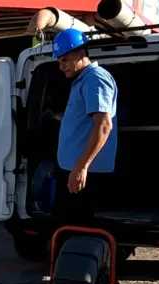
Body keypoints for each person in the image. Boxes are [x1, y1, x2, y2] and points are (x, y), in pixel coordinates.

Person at [49, 27, 118, 228]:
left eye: (65, 59)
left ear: (81, 53)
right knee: (67, 228)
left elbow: (104, 125)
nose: (61, 65)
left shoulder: (95, 78)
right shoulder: (81, 80)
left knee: (77, 229)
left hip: (84, 175)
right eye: (58, 60)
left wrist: (81, 167)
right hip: (74, 171)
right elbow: (82, 120)